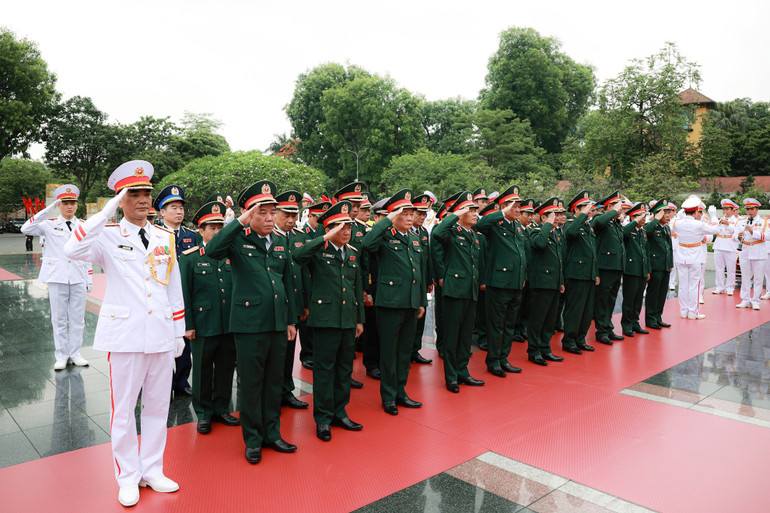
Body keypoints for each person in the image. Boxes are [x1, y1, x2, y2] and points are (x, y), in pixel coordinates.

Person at [64, 160, 185, 507]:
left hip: (161, 333)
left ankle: (152, 470)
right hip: (126, 335)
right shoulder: (106, 236)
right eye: (134, 194)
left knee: (158, 407)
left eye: (146, 193)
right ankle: (128, 476)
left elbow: (172, 286)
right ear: (121, 198)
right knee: (124, 410)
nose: (143, 200)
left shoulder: (165, 236)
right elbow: (72, 250)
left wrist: (178, 330)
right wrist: (106, 212)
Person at [205, 180, 298, 464]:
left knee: (274, 383)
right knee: (252, 384)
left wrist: (291, 320)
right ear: (249, 215)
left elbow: (287, 283)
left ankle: (273, 433)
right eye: (263, 213)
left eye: (273, 212)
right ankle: (253, 439)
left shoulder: (281, 242)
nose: (270, 218)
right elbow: (212, 250)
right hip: (248, 325)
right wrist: (239, 221)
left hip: (277, 323)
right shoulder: (237, 240)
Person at [293, 201, 365, 441]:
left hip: (347, 320)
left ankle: (339, 412)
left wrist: (359, 320)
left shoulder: (353, 253)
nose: (346, 232)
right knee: (325, 370)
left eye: (349, 228)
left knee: (344, 368)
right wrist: (324, 237)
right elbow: (298, 256)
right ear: (330, 229)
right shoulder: (319, 251)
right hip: (325, 321)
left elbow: (357, 288)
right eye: (340, 228)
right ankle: (323, 418)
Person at [362, 189, 427, 415]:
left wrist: (421, 302)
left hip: (410, 303)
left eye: (412, 214)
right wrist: (387, 219)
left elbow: (419, 273)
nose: (410, 218)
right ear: (394, 215)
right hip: (390, 303)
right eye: (405, 213)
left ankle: (401, 391)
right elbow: (367, 244)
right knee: (389, 352)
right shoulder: (385, 236)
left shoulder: (416, 239)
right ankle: (388, 396)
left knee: (404, 351)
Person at [180, 200, 240, 434]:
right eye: (212, 227)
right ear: (201, 230)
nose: (217, 231)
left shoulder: (231, 254)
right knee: (203, 370)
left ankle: (221, 408)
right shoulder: (190, 257)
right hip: (203, 325)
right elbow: (185, 294)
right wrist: (189, 325)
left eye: (220, 227)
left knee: (225, 368)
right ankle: (204, 413)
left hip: (228, 324)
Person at [21, 185, 93, 370]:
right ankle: (61, 354)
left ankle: (75, 353)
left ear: (77, 206)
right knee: (59, 319)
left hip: (77, 276)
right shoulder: (49, 224)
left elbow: (88, 253)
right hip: (57, 277)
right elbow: (26, 228)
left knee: (78, 319)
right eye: (65, 203)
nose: (69, 207)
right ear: (59, 205)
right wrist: (47, 210)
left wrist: (89, 278)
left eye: (73, 203)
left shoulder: (83, 226)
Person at [432, 192, 485, 392]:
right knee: (452, 335)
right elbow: (437, 233)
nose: (474, 213)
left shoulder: (474, 235)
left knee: (465, 336)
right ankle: (451, 377)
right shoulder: (451, 232)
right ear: (460, 212)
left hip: (470, 290)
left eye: (474, 210)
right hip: (454, 291)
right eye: (470, 210)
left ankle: (463, 371)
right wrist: (455, 214)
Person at [475, 185, 526, 377]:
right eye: (515, 206)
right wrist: (502, 212)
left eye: (519, 206)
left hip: (515, 282)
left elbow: (522, 253)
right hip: (499, 283)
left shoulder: (517, 226)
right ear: (504, 207)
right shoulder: (495, 224)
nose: (518, 210)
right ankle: (493, 360)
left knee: (509, 325)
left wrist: (523, 277)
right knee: (496, 324)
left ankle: (504, 358)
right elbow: (480, 225)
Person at [154, 185, 197, 399]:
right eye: (173, 207)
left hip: (185, 296)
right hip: (160, 295)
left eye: (181, 207)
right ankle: (159, 384)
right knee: (158, 342)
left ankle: (181, 381)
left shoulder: (191, 236)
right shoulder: (153, 235)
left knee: (184, 341)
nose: (179, 211)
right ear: (162, 212)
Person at [273, 190, 310, 410]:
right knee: (275, 353)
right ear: (276, 213)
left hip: (294, 303)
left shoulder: (299, 237)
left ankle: (287, 391)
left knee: (288, 352)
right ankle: (274, 393)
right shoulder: (270, 237)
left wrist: (304, 303)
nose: (290, 220)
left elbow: (303, 272)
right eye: (286, 215)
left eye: (294, 216)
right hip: (275, 304)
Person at [527, 198, 565, 366]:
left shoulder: (556, 233)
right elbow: (539, 244)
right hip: (541, 282)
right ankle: (534, 351)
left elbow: (558, 260)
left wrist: (561, 281)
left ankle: (545, 348)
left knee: (550, 319)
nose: (558, 217)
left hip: (554, 282)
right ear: (543, 217)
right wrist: (547, 225)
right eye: (554, 215)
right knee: (538, 318)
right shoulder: (535, 231)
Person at [674, 196, 724, 319]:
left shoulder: (677, 223)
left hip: (681, 257)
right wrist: (713, 216)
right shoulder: (698, 224)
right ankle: (692, 312)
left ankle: (683, 311)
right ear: (696, 211)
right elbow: (716, 229)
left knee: (683, 285)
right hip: (695, 258)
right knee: (693, 286)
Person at [561, 191, 598, 355]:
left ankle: (580, 339)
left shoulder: (588, 226)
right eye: (586, 208)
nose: (590, 211)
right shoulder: (571, 224)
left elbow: (592, 252)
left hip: (588, 273)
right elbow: (570, 234)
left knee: (587, 310)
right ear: (576, 210)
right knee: (575, 309)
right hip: (576, 274)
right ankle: (569, 340)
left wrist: (595, 273)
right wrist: (583, 215)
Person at [299, 201, 331, 370]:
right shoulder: (301, 233)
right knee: (306, 322)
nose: (320, 222)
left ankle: (317, 352)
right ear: (310, 216)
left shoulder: (322, 232)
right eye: (318, 218)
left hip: (320, 281)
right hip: (306, 281)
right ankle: (307, 354)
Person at [592, 191, 626, 345]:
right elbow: (598, 224)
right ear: (609, 207)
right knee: (602, 300)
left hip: (616, 267)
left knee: (611, 299)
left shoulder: (615, 222)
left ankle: (608, 326)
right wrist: (613, 212)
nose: (621, 208)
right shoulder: (601, 217)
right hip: (605, 267)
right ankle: (601, 331)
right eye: (618, 205)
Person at [409, 193, 433, 365]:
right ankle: (406, 351)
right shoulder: (406, 231)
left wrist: (429, 280)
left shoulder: (424, 232)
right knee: (410, 318)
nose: (422, 217)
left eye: (424, 214)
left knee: (421, 318)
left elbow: (427, 259)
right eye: (419, 213)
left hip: (422, 281)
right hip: (410, 282)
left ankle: (415, 350)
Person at [620, 203, 650, 337]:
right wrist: (634, 222)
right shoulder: (628, 230)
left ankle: (635, 323)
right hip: (631, 270)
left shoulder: (643, 232)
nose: (644, 219)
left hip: (642, 270)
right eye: (640, 216)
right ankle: (626, 325)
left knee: (638, 299)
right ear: (633, 218)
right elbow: (623, 233)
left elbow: (646, 253)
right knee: (629, 299)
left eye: (645, 216)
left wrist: (648, 270)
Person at [644, 199, 674, 330]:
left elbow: (669, 247)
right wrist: (655, 220)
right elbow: (645, 232)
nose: (668, 215)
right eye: (665, 213)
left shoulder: (666, 228)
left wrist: (670, 263)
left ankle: (658, 317)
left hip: (665, 265)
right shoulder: (652, 226)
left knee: (662, 293)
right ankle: (650, 319)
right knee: (653, 293)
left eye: (669, 212)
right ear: (657, 214)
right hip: (655, 265)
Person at [734, 198, 768, 310]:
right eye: (747, 209)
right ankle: (745, 299)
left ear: (757, 209)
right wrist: (738, 237)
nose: (749, 211)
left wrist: (754, 232)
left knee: (758, 278)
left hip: (758, 252)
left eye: (752, 209)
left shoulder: (764, 222)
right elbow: (734, 237)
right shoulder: (741, 221)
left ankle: (756, 300)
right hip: (745, 251)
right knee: (745, 277)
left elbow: (768, 236)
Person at [712, 199, 740, 296]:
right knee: (719, 268)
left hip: (730, 246)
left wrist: (728, 224)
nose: (725, 211)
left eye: (727, 209)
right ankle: (719, 287)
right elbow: (715, 230)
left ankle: (730, 287)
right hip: (719, 245)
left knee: (731, 269)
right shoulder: (721, 219)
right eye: (723, 209)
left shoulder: (736, 221)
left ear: (733, 210)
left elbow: (736, 232)